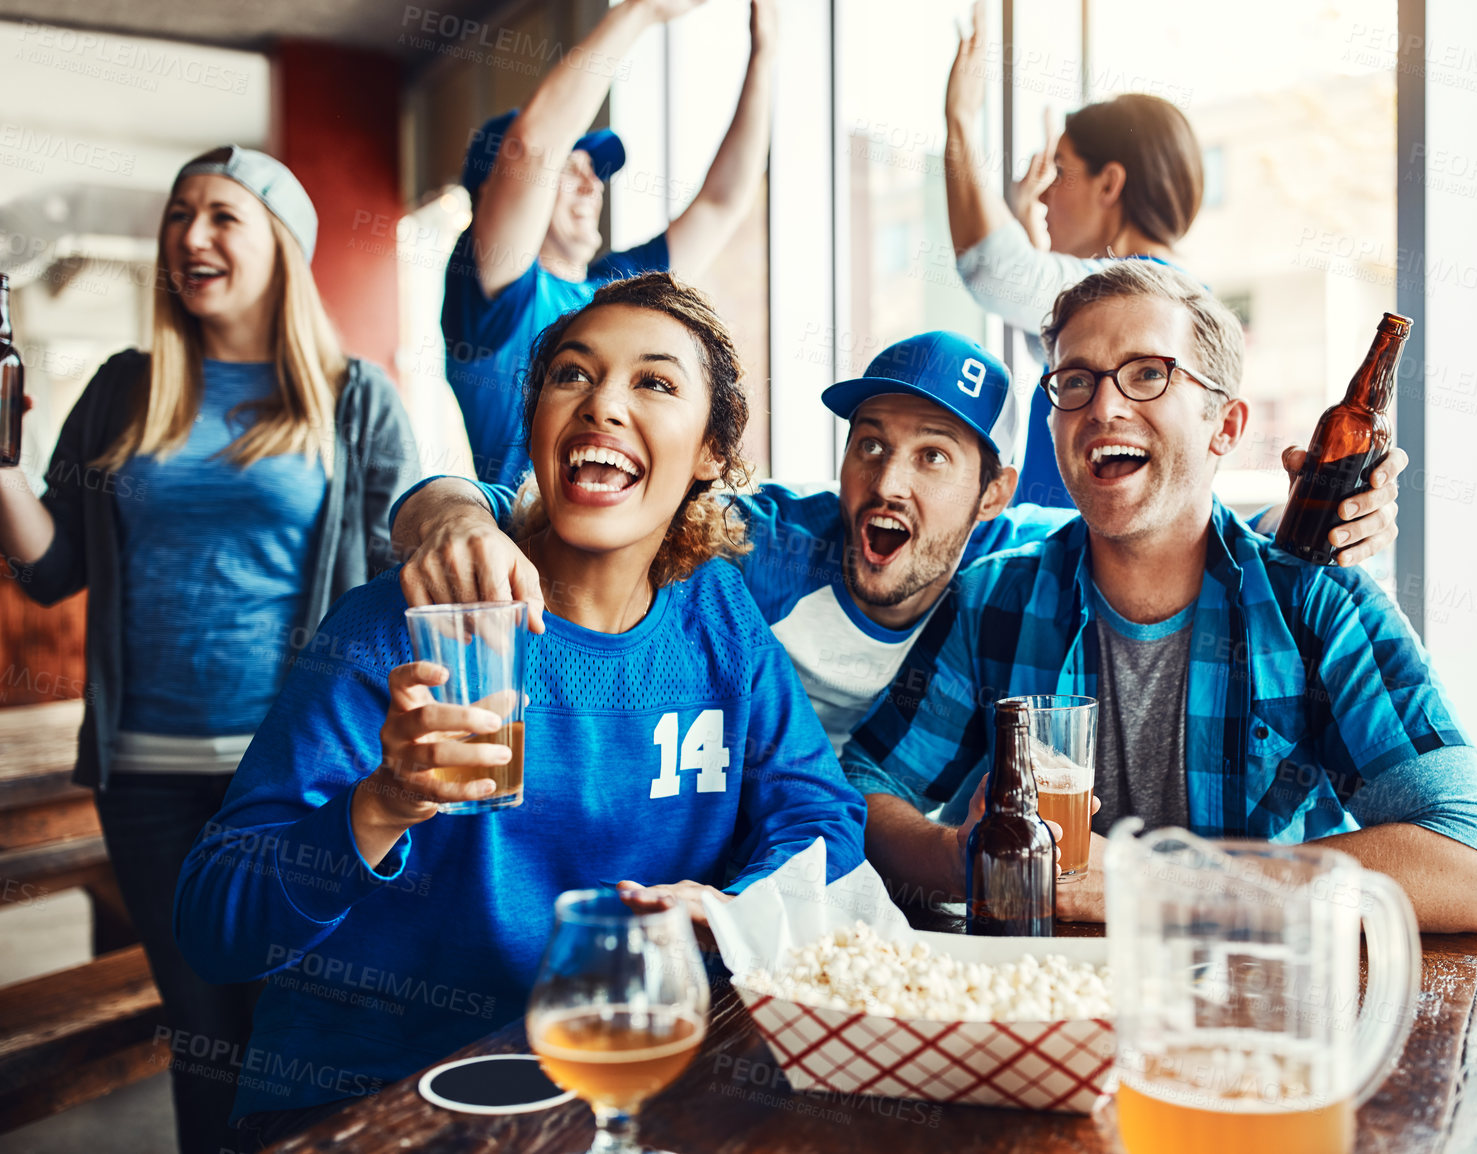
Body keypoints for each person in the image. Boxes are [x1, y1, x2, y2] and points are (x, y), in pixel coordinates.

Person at [173, 273, 866, 1148]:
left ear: (712, 453)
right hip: (369, 1109)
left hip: (615, 1089)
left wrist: (726, 909)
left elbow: (823, 818)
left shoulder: (719, 617)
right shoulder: (403, 624)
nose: (602, 406)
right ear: (534, 423)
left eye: (654, 382)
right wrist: (378, 805)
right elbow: (210, 921)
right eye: (572, 376)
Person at [840, 261, 1477, 935]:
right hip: (1051, 1006)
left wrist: (1155, 885)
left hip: (1256, 1009)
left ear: (1225, 426)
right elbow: (864, 789)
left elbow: (1471, 869)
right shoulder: (994, 598)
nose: (1103, 406)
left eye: (1148, 373)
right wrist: (958, 855)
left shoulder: (1319, 604)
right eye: (1076, 381)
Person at [388, 329, 1402, 760]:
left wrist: (1322, 523)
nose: (886, 478)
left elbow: (1180, 536)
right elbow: (525, 494)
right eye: (869, 443)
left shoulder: (1019, 567)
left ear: (993, 492)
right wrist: (446, 512)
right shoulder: (771, 541)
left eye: (930, 456)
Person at [0, 146, 418, 1154]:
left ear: (281, 243)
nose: (192, 236)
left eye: (223, 216)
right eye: (179, 216)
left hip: (296, 772)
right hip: (144, 776)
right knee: (206, 1039)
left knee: (300, 1034)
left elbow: (394, 581)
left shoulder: (354, 398)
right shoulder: (120, 391)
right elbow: (52, 568)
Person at [446, 0, 777, 488]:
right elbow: (532, 149)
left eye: (595, 172)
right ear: (493, 194)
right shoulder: (494, 294)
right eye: (569, 169)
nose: (592, 185)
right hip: (528, 548)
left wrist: (765, 53)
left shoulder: (613, 292)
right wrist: (641, 11)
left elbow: (720, 205)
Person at [946, 0, 1238, 512]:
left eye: (1060, 171)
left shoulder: (1126, 297)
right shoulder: (1184, 301)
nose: (1044, 196)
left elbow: (993, 267)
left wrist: (959, 122)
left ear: (1109, 183)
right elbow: (1051, 313)